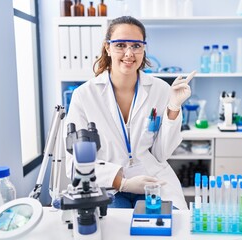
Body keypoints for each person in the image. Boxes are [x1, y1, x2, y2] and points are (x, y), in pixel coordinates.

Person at [65, 16, 196, 210]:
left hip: (153, 181)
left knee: (168, 226)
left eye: (136, 45)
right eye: (121, 45)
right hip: (109, 185)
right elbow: (74, 163)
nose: (129, 53)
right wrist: (122, 183)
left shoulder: (160, 89)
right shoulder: (84, 95)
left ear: (143, 49)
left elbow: (161, 153)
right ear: (108, 47)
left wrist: (174, 108)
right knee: (117, 228)